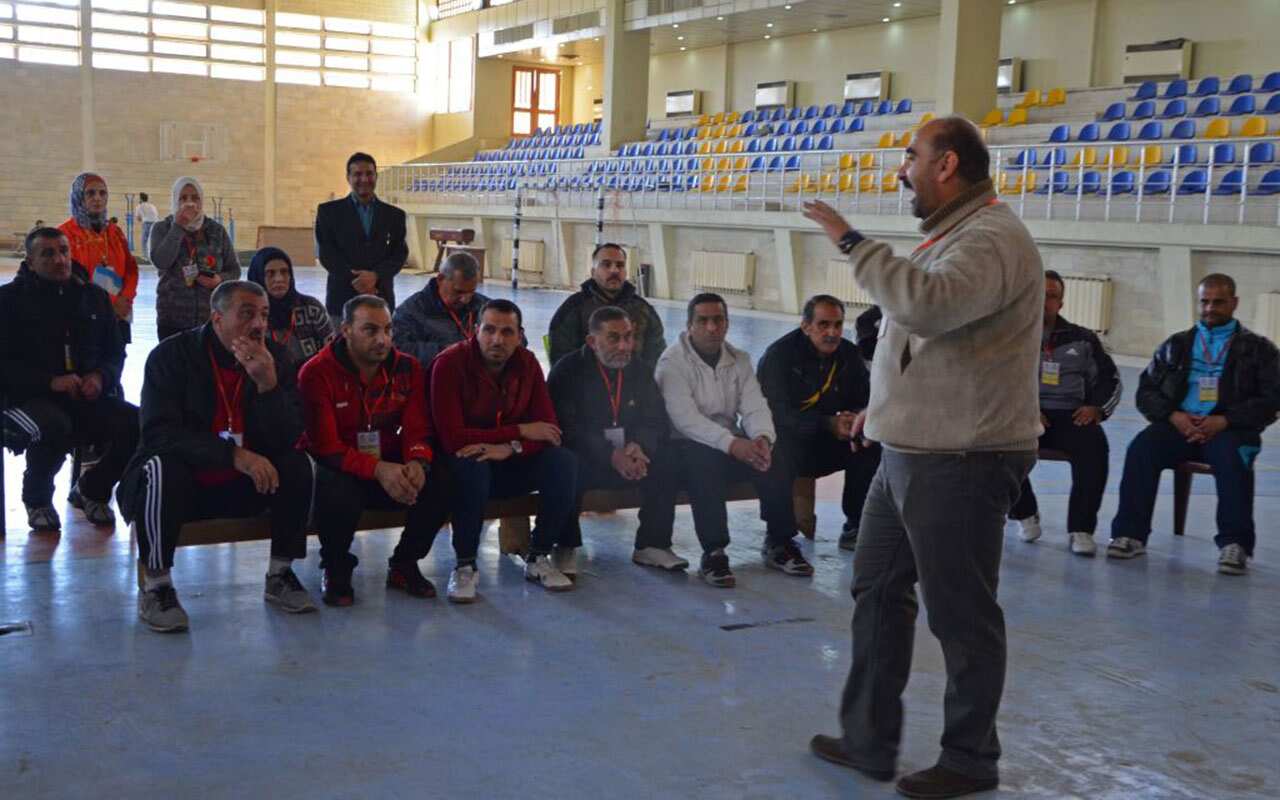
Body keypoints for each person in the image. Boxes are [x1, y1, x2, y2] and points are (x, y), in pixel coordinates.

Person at [803, 116, 1042, 799]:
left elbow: (926, 307)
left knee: (962, 615)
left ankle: (970, 759)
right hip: (909, 452)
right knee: (876, 589)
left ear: (948, 166)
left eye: (911, 157)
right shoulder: (955, 236)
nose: (900, 170)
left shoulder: (992, 238)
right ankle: (869, 740)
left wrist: (851, 241)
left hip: (963, 458)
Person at [117, 280, 316, 633]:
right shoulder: (172, 356)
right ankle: (157, 586)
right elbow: (159, 434)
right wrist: (234, 455)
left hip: (244, 486)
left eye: (264, 315)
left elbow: (288, 437)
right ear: (217, 317)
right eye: (247, 314)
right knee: (162, 469)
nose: (258, 324)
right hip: (187, 485)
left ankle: (280, 573)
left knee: (297, 464)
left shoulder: (276, 358)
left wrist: (268, 386)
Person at [1108, 274, 1280, 575]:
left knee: (1234, 459)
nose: (1210, 308)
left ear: (1234, 303)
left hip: (1230, 430)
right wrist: (1173, 416)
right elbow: (1146, 391)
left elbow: (1272, 399)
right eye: (1205, 301)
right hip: (1179, 426)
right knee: (1141, 449)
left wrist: (1225, 420)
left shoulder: (1259, 350)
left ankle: (1235, 545)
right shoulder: (1176, 345)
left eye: (1218, 302)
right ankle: (1130, 534)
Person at [299, 296, 453, 606]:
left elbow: (417, 427)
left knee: (441, 476)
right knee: (336, 484)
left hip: (388, 463)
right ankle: (336, 566)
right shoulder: (317, 373)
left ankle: (405, 563)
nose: (382, 339)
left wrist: (417, 462)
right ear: (346, 330)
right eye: (370, 330)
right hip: (340, 465)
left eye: (387, 329)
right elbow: (326, 447)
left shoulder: (407, 367)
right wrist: (379, 470)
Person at [655, 292, 812, 588]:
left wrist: (762, 438)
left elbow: (754, 406)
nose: (712, 327)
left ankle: (780, 542)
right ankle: (714, 552)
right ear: (690, 325)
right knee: (704, 460)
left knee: (775, 454)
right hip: (682, 449)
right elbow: (686, 420)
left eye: (718, 320)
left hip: (729, 445)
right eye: (703, 321)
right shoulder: (671, 363)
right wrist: (733, 444)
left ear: (727, 324)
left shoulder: (739, 359)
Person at [429, 299, 579, 595]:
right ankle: (465, 565)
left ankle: (538, 556)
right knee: (474, 465)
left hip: (510, 462)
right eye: (490, 330)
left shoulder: (528, 363)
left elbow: (549, 431)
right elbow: (453, 438)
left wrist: (511, 448)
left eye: (507, 332)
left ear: (520, 334)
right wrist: (520, 431)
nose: (497, 339)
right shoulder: (448, 364)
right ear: (476, 331)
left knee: (563, 462)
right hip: (461, 467)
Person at [0, 228, 139, 531]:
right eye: (47, 254)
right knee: (54, 425)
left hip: (84, 395)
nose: (59, 259)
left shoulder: (94, 297)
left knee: (138, 423)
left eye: (63, 251)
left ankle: (92, 488)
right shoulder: (8, 301)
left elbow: (115, 351)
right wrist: (49, 382)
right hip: (25, 399)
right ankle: (37, 499)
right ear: (31, 260)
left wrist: (100, 377)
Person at [547, 306, 687, 572]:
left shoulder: (641, 370)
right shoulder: (568, 371)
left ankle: (652, 544)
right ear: (592, 341)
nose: (625, 346)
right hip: (589, 458)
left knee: (668, 458)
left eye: (629, 336)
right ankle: (564, 545)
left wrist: (639, 446)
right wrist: (612, 455)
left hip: (631, 459)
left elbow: (655, 419)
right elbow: (567, 429)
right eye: (613, 338)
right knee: (564, 463)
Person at [1009, 270, 1121, 555]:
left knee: (1095, 447)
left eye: (1052, 296)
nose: (1044, 301)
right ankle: (1025, 513)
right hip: (1027, 415)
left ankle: (1081, 529)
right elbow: (996, 382)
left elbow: (1110, 379)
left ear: (1061, 303)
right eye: (1039, 294)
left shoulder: (1083, 339)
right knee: (998, 446)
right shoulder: (1010, 336)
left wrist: (1096, 408)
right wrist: (1026, 410)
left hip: (1072, 415)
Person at [757, 294, 880, 553]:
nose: (832, 332)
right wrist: (826, 423)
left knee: (868, 442)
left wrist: (854, 420)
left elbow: (863, 399)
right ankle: (778, 539)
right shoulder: (779, 356)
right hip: (790, 441)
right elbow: (774, 414)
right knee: (775, 452)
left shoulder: (848, 354)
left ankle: (855, 525)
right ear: (806, 326)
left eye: (837, 325)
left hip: (827, 441)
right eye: (823, 325)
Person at [315, 152, 408, 322]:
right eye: (357, 174)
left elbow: (399, 254)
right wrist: (359, 281)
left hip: (381, 297)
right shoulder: (328, 212)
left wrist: (375, 276)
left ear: (376, 176)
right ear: (348, 177)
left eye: (369, 174)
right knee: (342, 347)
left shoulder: (395, 215)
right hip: (342, 299)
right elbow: (326, 253)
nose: (364, 179)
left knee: (380, 347)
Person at [547, 242, 666, 370]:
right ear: (593, 272)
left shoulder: (643, 309)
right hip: (585, 386)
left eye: (620, 265)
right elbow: (560, 356)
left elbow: (656, 355)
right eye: (606, 264)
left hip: (632, 386)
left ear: (625, 271)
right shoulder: (573, 308)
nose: (614, 270)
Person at [149, 176, 241, 341]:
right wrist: (178, 227)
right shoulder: (162, 228)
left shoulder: (216, 231)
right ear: (175, 201)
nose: (189, 203)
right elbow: (161, 261)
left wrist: (219, 279)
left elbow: (234, 270)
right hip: (172, 320)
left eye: (195, 198)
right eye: (183, 198)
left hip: (211, 319)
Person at [58, 172, 139, 345]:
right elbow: (67, 277)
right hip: (84, 315)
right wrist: (107, 304)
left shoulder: (115, 232)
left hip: (119, 312)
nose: (97, 198)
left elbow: (131, 269)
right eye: (90, 193)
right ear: (79, 197)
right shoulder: (65, 234)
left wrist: (125, 298)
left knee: (115, 364)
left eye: (102, 193)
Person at [246, 246, 334, 380]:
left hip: (310, 381)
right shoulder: (250, 315)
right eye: (270, 273)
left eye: (284, 272)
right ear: (258, 277)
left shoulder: (311, 308)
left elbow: (330, 353)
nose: (279, 279)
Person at [392, 250, 489, 370]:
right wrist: (446, 351)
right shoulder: (411, 311)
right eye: (458, 292)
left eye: (471, 291)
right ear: (440, 279)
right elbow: (397, 349)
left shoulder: (486, 307)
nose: (465, 299)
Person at [137, 191, 159, 256]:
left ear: (141, 199)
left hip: (147, 223)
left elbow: (138, 218)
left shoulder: (139, 206)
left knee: (144, 240)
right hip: (155, 223)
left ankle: (145, 256)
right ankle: (153, 255)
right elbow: (156, 215)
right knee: (152, 240)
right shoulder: (152, 206)